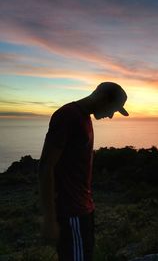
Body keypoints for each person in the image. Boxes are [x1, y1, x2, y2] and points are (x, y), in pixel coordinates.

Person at [38, 82, 128, 261]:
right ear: (102, 98)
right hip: (71, 212)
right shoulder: (67, 116)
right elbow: (46, 167)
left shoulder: (84, 118)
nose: (111, 115)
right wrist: (49, 218)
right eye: (113, 109)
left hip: (83, 209)